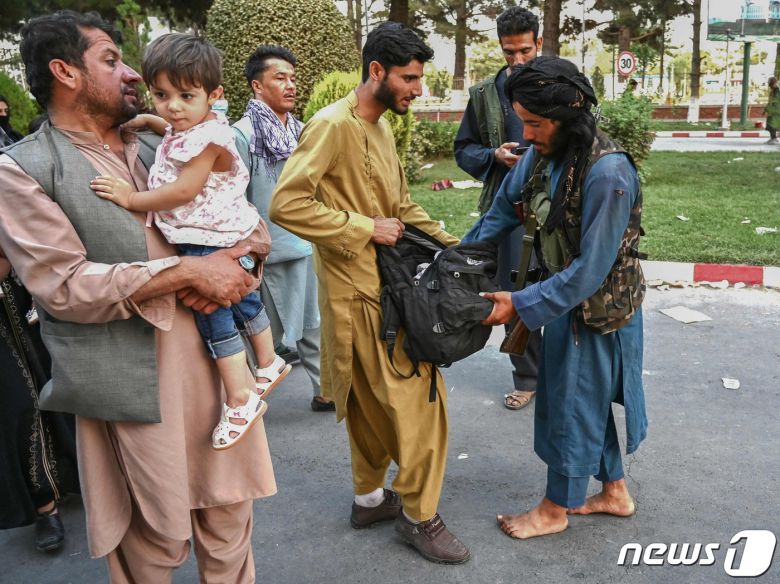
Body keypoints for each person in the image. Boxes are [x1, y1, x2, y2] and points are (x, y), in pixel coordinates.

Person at [0, 11, 276, 581]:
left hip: (218, 372)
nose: (130, 73)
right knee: (152, 543)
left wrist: (243, 260)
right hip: (130, 386)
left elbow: (246, 223)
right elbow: (64, 285)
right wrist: (187, 274)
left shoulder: (164, 141)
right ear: (65, 72)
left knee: (229, 523)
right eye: (110, 60)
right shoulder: (22, 169)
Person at [270, 22, 470, 564]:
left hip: (385, 289)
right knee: (423, 403)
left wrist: (460, 249)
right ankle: (418, 516)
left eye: (419, 78)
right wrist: (362, 227)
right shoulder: (331, 125)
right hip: (360, 297)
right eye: (409, 78)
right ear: (376, 71)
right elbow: (285, 205)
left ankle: (369, 500)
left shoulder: (380, 127)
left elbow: (401, 208)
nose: (417, 89)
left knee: (369, 406)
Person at [463, 56, 647, 539]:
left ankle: (552, 510)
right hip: (562, 298)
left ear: (569, 117)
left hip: (596, 309)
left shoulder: (608, 174)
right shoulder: (543, 153)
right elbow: (500, 213)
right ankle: (614, 493)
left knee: (570, 405)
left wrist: (519, 303)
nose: (525, 134)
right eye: (522, 120)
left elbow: (590, 272)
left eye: (534, 123)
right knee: (586, 402)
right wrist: (456, 261)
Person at [89, 33, 290, 449]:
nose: (173, 107)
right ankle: (268, 362)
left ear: (213, 94)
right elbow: (178, 130)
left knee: (214, 316)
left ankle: (240, 396)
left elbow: (183, 190)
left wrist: (132, 198)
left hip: (207, 239)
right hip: (224, 231)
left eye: (185, 95)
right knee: (245, 302)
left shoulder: (210, 140)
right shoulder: (197, 126)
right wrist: (150, 121)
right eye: (161, 95)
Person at [232, 45, 334, 412]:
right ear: (257, 87)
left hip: (306, 245)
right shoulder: (240, 137)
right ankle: (240, 399)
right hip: (264, 252)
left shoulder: (303, 131)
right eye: (280, 78)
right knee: (261, 332)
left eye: (293, 78)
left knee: (314, 324)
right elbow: (235, 197)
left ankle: (327, 392)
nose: (291, 85)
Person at [454, 6, 543, 411]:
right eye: (510, 52)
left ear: (539, 43)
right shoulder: (484, 95)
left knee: (557, 291)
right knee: (512, 293)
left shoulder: (559, 84)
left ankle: (560, 377)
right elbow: (463, 149)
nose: (518, 60)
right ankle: (526, 377)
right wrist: (495, 155)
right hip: (507, 213)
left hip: (556, 212)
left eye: (525, 50)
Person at [0, 253, 79, 552]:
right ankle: (44, 505)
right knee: (16, 404)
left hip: (29, 291)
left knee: (61, 383)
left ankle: (90, 477)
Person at [764, 76, 779, 145]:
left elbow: (774, 101)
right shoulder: (774, 90)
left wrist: (767, 109)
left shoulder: (777, 90)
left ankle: (774, 139)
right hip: (773, 111)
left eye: (769, 82)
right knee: (771, 125)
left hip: (775, 111)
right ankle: (773, 138)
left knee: (771, 125)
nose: (768, 83)